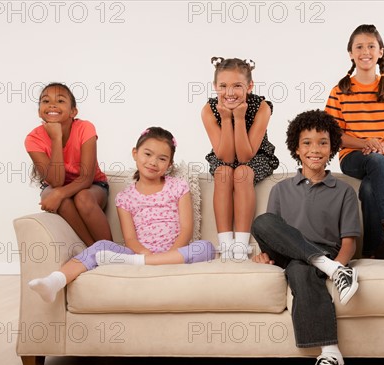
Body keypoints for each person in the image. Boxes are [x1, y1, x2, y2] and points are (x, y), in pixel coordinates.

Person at [29, 127, 216, 303]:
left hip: (174, 252)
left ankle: (139, 263)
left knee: (205, 248)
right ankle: (56, 280)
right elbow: (130, 238)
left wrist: (172, 254)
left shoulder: (178, 186)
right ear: (135, 153)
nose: (153, 162)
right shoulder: (125, 197)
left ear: (169, 164)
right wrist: (145, 254)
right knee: (101, 246)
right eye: (148, 154)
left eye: (162, 158)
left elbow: (186, 228)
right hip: (138, 252)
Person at [251, 110, 361, 365]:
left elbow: (349, 241)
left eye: (323, 142)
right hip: (290, 252)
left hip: (323, 253)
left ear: (332, 147)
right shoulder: (281, 189)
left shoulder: (344, 191)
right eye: (307, 143)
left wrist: (340, 260)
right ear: (296, 149)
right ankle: (333, 270)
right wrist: (266, 255)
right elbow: (271, 232)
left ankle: (332, 357)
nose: (315, 149)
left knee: (300, 272)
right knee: (262, 221)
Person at [325, 24, 384, 259]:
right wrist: (366, 144)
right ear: (351, 54)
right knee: (374, 160)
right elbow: (336, 135)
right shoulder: (339, 91)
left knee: (369, 186)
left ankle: (374, 254)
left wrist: (379, 147)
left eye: (371, 46)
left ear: (381, 52)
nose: (366, 51)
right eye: (359, 47)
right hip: (353, 157)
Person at [202, 57, 279, 260]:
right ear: (215, 86)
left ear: (250, 86)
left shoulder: (262, 107)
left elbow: (245, 156)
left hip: (255, 156)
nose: (229, 92)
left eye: (237, 86)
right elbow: (225, 157)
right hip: (224, 155)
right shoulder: (209, 110)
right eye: (223, 86)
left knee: (243, 172)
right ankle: (226, 244)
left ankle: (241, 246)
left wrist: (238, 117)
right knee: (223, 172)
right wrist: (226, 118)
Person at [25, 82, 112, 246]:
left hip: (92, 185)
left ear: (73, 111)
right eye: (45, 101)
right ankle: (92, 250)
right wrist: (56, 138)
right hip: (54, 185)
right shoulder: (33, 139)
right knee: (62, 200)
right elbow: (56, 182)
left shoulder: (85, 128)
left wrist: (58, 194)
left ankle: (111, 250)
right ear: (39, 111)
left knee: (82, 197)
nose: (52, 104)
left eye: (60, 100)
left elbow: (86, 178)